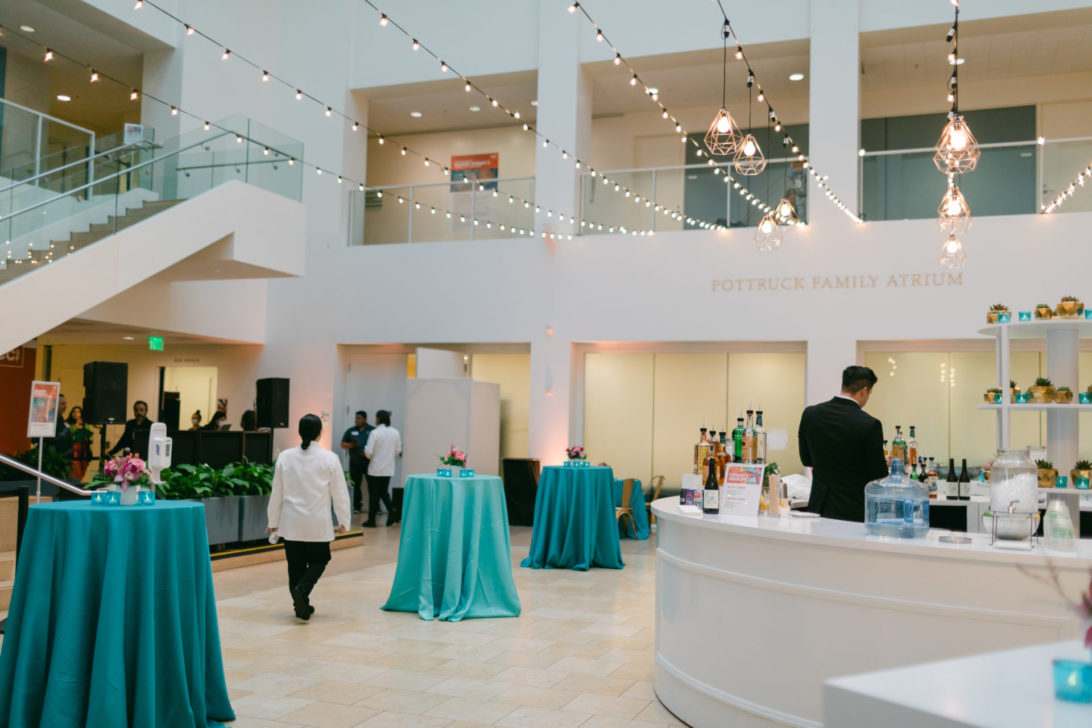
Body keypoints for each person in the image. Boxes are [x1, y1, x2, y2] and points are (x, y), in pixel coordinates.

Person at [266, 414, 351, 621]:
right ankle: (302, 591)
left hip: (291, 523)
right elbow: (339, 492)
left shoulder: (285, 457)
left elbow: (277, 491)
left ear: (299, 432)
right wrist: (343, 520)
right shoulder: (330, 458)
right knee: (320, 560)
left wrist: (273, 521)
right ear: (320, 433)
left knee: (294, 565)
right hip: (317, 523)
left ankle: (300, 603)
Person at [797, 365, 889, 522]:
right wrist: (884, 463)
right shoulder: (869, 424)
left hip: (819, 508)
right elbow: (878, 474)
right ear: (864, 391)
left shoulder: (810, 414)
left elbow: (807, 460)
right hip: (854, 512)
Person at [363, 409, 401, 527]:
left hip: (375, 468)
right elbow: (398, 450)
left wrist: (366, 453)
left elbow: (368, 452)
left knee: (374, 495)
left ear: (378, 418)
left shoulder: (375, 433)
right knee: (384, 492)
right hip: (388, 468)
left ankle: (372, 520)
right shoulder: (395, 433)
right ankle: (393, 511)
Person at [340, 411, 374, 514]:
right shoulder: (350, 431)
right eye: (356, 418)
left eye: (359, 418)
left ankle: (375, 508)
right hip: (355, 463)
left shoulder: (372, 430)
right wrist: (351, 445)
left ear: (365, 419)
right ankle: (357, 507)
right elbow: (342, 445)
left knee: (372, 486)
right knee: (356, 485)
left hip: (369, 463)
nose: (356, 420)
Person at [67, 406, 94, 480]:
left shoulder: (85, 425)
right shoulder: (69, 424)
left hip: (84, 450)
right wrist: (76, 425)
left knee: (82, 470)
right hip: (73, 451)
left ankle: (78, 481)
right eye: (74, 412)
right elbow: (68, 435)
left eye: (78, 412)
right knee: (74, 469)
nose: (76, 414)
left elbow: (91, 437)